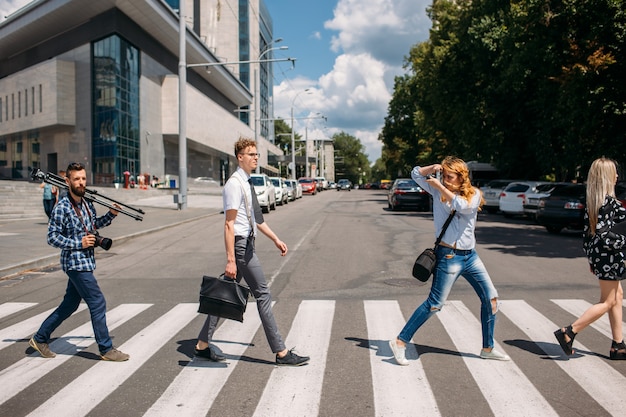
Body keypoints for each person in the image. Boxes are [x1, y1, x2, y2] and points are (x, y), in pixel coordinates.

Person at [195, 137, 309, 366]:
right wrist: (231, 260)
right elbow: (229, 224)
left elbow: (257, 219)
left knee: (224, 293)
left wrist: (276, 239)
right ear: (240, 157)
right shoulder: (234, 185)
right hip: (240, 248)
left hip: (246, 244)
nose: (256, 157)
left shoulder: (246, 183)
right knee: (263, 295)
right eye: (251, 154)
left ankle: (202, 345)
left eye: (257, 154)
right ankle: (281, 352)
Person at [389, 157, 509, 365]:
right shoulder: (438, 191)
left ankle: (487, 348)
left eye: (450, 177)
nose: (445, 180)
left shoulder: (474, 194)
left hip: (470, 256)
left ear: (462, 177)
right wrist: (432, 169)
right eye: (443, 176)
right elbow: (416, 174)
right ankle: (400, 341)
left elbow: (461, 206)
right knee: (435, 304)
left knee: (491, 299)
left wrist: (439, 187)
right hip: (449, 256)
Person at [29, 162, 129, 362]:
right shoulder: (62, 207)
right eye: (76, 179)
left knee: (69, 305)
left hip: (85, 261)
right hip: (75, 264)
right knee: (97, 302)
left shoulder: (86, 203)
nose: (81, 182)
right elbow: (52, 237)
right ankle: (106, 348)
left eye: (83, 178)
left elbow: (93, 225)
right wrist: (79, 242)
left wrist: (111, 215)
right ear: (68, 181)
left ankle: (40, 338)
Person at [554, 157, 626, 359]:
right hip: (610, 257)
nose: (617, 176)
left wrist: (592, 259)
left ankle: (618, 345)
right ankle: (569, 332)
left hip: (600, 256)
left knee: (617, 296)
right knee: (608, 301)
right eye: (614, 172)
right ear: (606, 176)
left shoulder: (594, 201)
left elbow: (588, 234)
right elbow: (605, 235)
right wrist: (622, 244)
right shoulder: (610, 203)